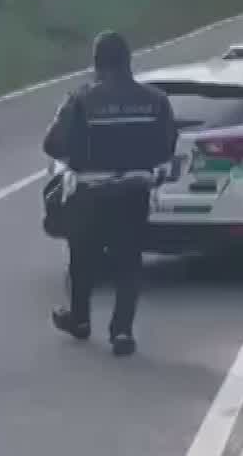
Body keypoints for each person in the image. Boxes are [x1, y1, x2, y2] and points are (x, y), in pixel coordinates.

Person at [41, 32, 176, 357]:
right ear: (129, 61)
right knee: (128, 262)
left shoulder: (81, 99)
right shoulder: (156, 100)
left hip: (88, 193)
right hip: (133, 192)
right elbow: (167, 145)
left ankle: (80, 319)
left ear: (97, 62)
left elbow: (53, 144)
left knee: (82, 259)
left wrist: (79, 158)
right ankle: (122, 332)